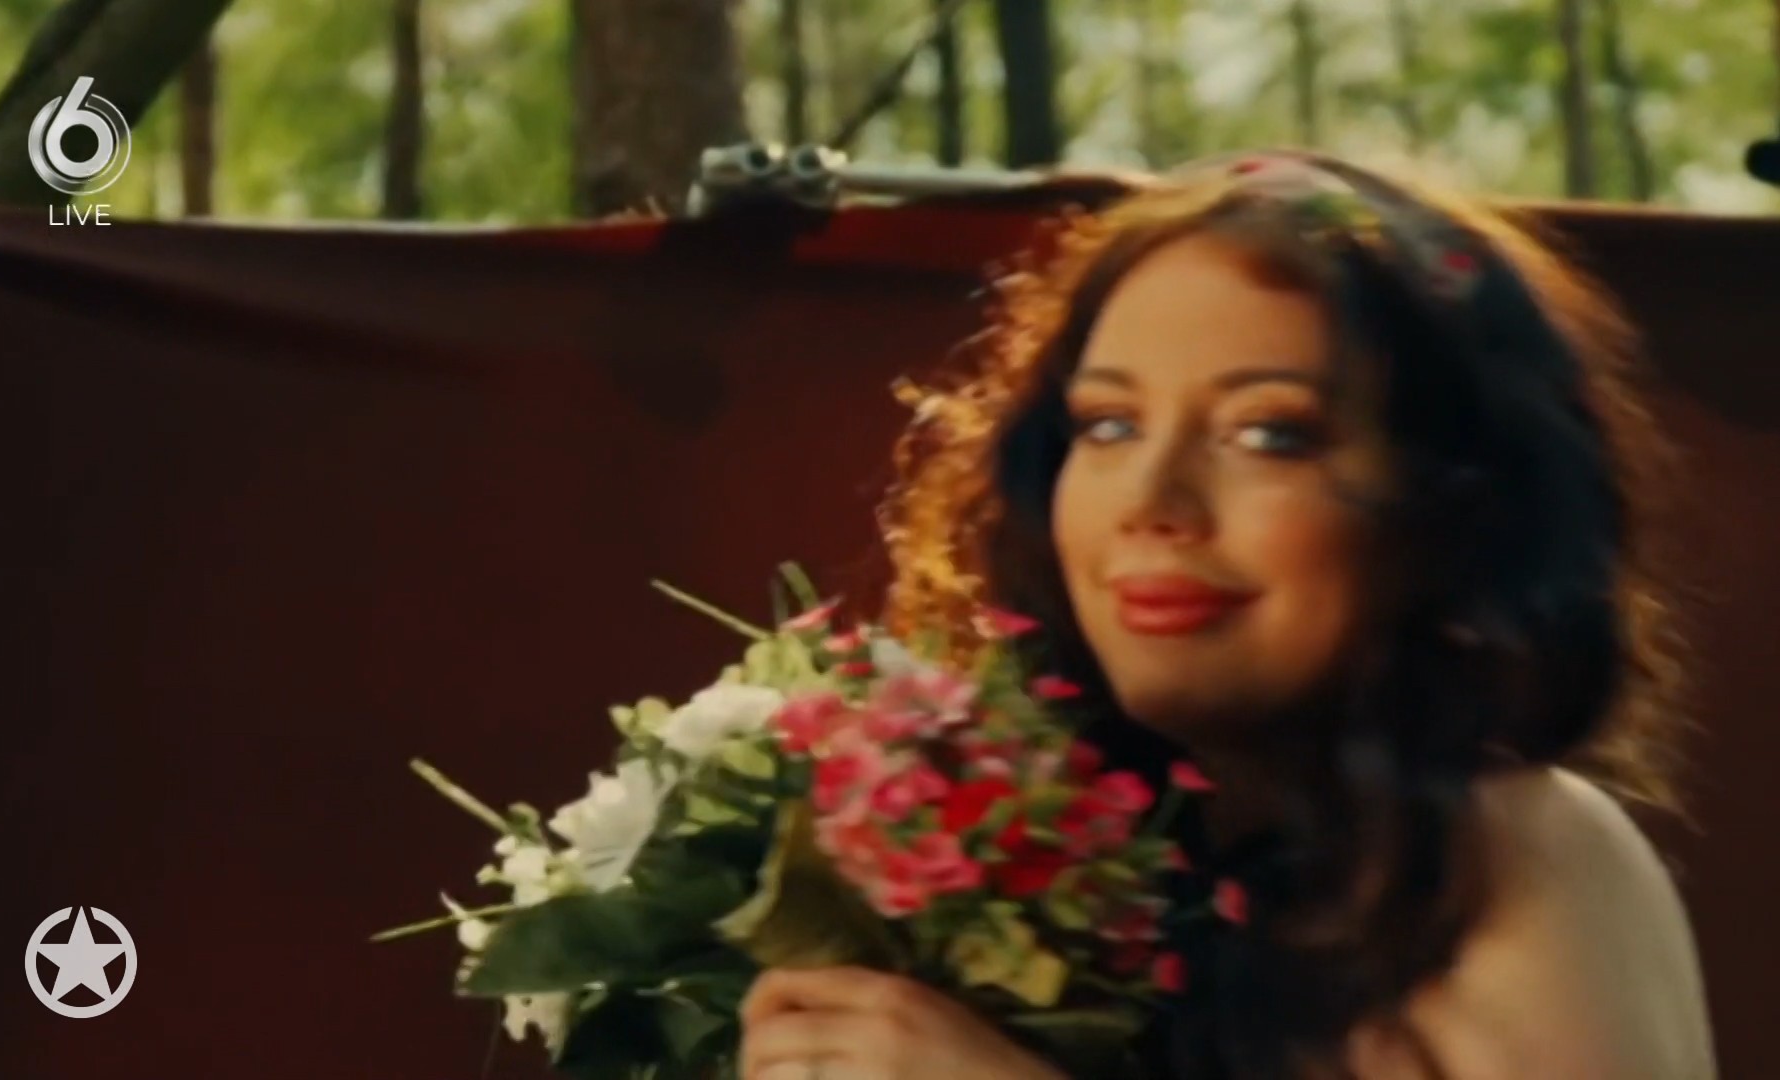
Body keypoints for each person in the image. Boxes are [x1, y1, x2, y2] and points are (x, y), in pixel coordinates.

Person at [735, 150, 1715, 1079]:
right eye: (1109, 424)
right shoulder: (1079, 863)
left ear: (1450, 509)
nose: (1152, 501)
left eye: (1269, 434)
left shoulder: (1514, 845)